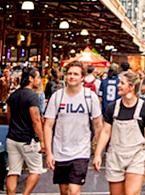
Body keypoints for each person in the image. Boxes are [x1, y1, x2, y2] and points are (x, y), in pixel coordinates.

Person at [93, 71, 145, 195]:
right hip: (115, 156)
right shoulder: (113, 108)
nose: (118, 85)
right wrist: (98, 154)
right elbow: (106, 132)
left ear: (131, 87)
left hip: (136, 156)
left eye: (122, 83)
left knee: (131, 193)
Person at [44, 61, 103, 195]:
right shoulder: (57, 97)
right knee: (64, 191)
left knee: (74, 191)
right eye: (69, 74)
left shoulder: (89, 97)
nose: (72, 77)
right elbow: (48, 126)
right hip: (60, 151)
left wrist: (98, 152)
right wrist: (48, 152)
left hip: (81, 151)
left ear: (82, 77)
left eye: (75, 74)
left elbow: (99, 125)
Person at [5, 66, 46, 195]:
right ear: (30, 79)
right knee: (36, 170)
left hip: (12, 138)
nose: (39, 81)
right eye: (38, 77)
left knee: (13, 171)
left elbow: (9, 117)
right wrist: (42, 140)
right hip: (28, 139)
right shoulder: (33, 97)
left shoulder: (13, 95)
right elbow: (36, 120)